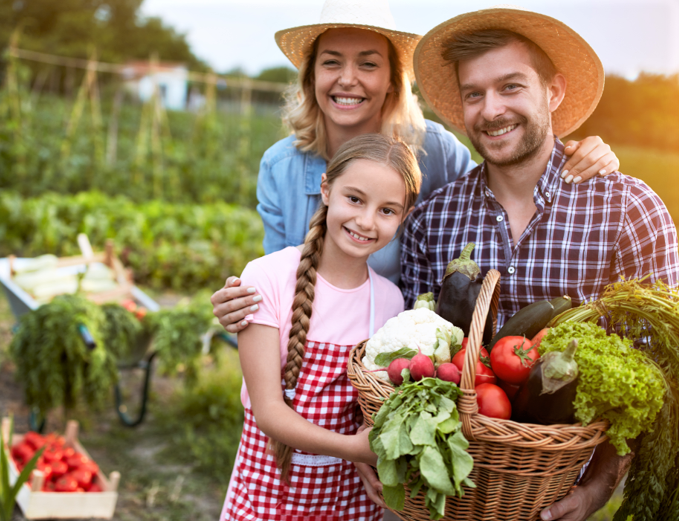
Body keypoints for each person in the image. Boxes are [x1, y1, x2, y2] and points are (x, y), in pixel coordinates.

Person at [399, 7, 679, 521]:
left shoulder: (631, 213)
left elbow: (654, 376)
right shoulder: (431, 221)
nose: (491, 110)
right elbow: (412, 361)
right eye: (474, 94)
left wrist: (597, 490)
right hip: (443, 494)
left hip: (558, 498)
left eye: (511, 87)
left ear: (553, 91)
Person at [212, 0, 619, 335]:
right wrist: (243, 303)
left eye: (368, 64)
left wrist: (581, 151)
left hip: (390, 353)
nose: (347, 80)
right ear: (312, 75)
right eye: (331, 63)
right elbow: (277, 281)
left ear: (392, 79)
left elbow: (504, 177)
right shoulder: (281, 166)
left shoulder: (434, 151)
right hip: (310, 350)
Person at [220, 134, 420, 520]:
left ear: (405, 215)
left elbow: (367, 410)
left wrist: (363, 454)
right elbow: (268, 412)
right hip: (267, 495)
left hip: (347, 501)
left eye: (387, 210)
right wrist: (354, 448)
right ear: (326, 189)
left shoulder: (390, 302)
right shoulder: (268, 278)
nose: (365, 221)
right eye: (355, 199)